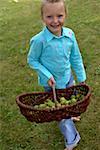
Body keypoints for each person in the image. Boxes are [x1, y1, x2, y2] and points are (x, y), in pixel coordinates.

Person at [27, 0, 86, 149]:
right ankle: (72, 139)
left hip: (68, 78)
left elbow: (75, 57)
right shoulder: (39, 40)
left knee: (69, 104)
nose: (55, 21)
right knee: (60, 114)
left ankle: (71, 114)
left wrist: (81, 77)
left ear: (65, 15)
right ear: (42, 18)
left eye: (59, 16)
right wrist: (47, 75)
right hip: (52, 85)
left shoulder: (70, 34)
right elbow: (32, 60)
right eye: (49, 17)